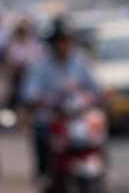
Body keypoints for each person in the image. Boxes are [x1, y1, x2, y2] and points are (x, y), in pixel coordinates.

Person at [20, 18, 102, 180]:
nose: (64, 46)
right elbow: (29, 92)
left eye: (67, 41)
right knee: (42, 136)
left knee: (98, 135)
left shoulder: (80, 62)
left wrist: (97, 96)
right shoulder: (41, 65)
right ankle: (45, 173)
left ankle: (101, 175)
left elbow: (94, 86)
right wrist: (37, 101)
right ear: (53, 44)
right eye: (60, 42)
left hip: (76, 117)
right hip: (51, 117)